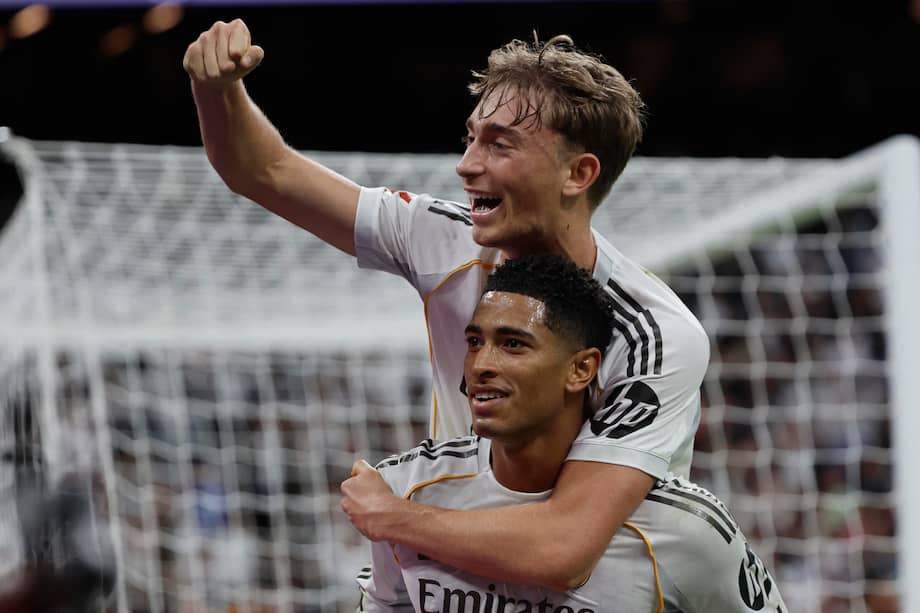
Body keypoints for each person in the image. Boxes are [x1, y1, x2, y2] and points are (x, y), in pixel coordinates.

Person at [183, 20, 709, 589]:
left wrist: (394, 516)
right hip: (463, 574)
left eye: (500, 144)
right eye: (471, 137)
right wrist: (217, 90)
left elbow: (564, 551)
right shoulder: (442, 238)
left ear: (578, 174)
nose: (466, 164)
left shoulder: (655, 336)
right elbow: (264, 170)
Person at [349, 254, 786, 612]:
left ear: (581, 369)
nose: (480, 365)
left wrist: (394, 518)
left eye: (513, 344)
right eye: (475, 342)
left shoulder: (686, 530)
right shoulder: (405, 486)